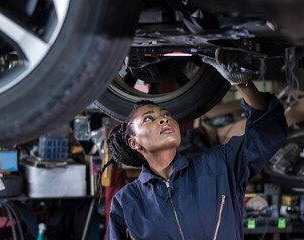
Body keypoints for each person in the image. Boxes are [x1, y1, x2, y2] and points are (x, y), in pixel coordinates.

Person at [105, 49, 288, 240]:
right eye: (149, 118)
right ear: (134, 143)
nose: (164, 120)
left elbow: (269, 133)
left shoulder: (219, 166)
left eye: (166, 115)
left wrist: (242, 82)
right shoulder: (127, 202)